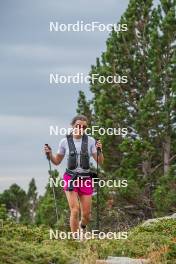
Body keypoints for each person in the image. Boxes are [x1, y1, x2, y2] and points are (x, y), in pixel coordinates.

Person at [44, 115, 104, 235]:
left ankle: (82, 228)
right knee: (75, 210)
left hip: (86, 179)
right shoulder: (64, 141)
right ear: (72, 126)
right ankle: (75, 240)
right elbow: (56, 161)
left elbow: (100, 161)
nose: (80, 128)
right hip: (70, 178)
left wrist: (100, 150)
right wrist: (49, 154)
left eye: (84, 127)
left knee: (86, 215)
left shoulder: (91, 141)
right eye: (78, 126)